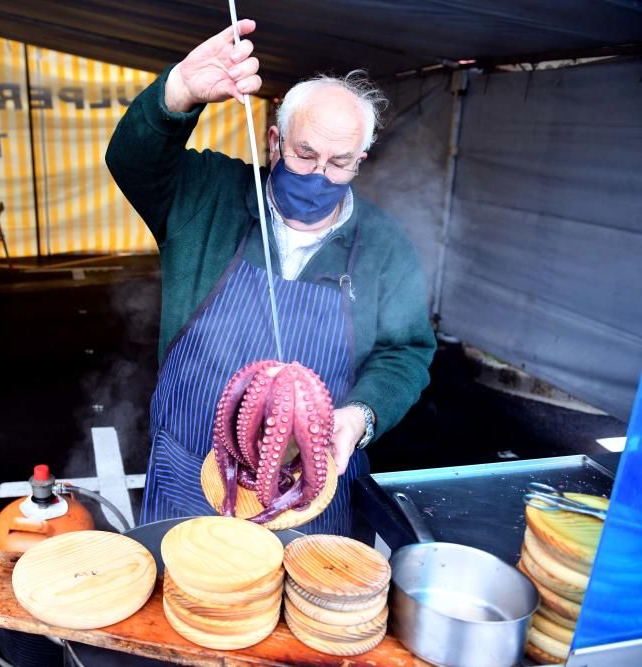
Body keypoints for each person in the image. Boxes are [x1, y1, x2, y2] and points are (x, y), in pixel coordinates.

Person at [106, 20, 436, 535]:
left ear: (360, 161)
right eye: (305, 154)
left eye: (339, 163)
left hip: (310, 485)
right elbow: (132, 161)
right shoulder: (207, 195)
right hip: (188, 471)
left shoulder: (386, 245)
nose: (319, 174)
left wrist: (361, 416)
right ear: (275, 139)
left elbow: (406, 351)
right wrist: (178, 94)